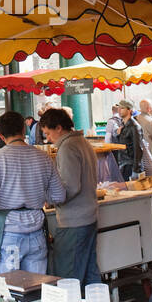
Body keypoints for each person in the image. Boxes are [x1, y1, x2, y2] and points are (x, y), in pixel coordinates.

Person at [0, 110, 65, 274]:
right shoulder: (43, 157)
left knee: (11, 292)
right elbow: (59, 196)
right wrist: (38, 194)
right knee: (36, 289)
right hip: (38, 234)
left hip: (9, 235)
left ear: (1, 135)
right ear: (24, 130)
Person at [40, 108, 101, 285]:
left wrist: (49, 198)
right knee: (90, 271)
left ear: (59, 128)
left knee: (68, 276)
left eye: (48, 133)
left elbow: (70, 187)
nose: (48, 138)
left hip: (74, 221)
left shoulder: (67, 148)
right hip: (89, 216)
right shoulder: (83, 142)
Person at [116, 101, 143, 180]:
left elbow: (138, 148)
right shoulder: (123, 126)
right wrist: (119, 134)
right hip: (124, 164)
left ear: (129, 110)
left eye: (122, 108)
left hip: (130, 166)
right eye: (119, 107)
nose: (119, 110)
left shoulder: (134, 126)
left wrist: (136, 169)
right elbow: (124, 144)